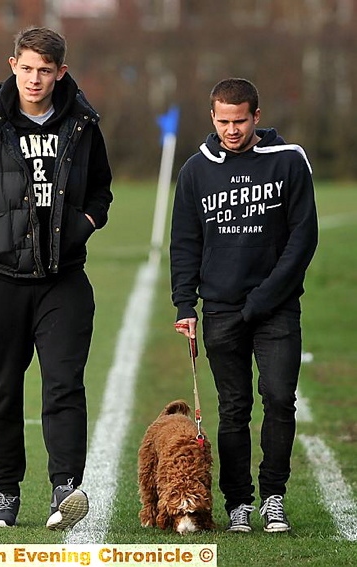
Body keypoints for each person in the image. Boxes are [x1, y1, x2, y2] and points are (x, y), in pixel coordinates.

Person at [0, 27, 113, 530]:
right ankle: (5, 493)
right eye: (27, 68)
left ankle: (64, 489)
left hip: (64, 281)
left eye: (45, 70)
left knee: (63, 386)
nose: (35, 79)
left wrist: (86, 224)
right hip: (0, 283)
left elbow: (102, 191)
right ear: (12, 65)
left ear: (61, 73)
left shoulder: (82, 125)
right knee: (2, 390)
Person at [170, 78, 317, 533]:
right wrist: (184, 304)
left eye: (239, 120)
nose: (230, 130)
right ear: (211, 117)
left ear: (256, 116)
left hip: (275, 309)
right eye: (222, 120)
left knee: (278, 398)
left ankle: (274, 497)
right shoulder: (196, 170)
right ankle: (239, 505)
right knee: (233, 409)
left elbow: (303, 239)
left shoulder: (288, 161)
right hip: (220, 310)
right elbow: (185, 243)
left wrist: (264, 298)